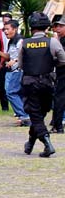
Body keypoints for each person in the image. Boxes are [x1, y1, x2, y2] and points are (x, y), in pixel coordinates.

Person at [19, 12, 65, 158]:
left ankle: (47, 144)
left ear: (31, 27)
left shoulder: (24, 43)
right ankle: (30, 142)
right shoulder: (53, 42)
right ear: (46, 27)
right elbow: (63, 60)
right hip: (47, 83)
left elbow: (20, 64)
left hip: (30, 83)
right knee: (40, 114)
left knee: (35, 115)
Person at [0, 20, 29, 126]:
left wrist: (14, 61)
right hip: (12, 70)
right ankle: (23, 116)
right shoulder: (11, 41)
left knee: (11, 92)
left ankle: (24, 115)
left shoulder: (20, 41)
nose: (5, 32)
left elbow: (24, 55)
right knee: (15, 93)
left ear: (15, 29)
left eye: (7, 29)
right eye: (4, 29)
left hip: (19, 70)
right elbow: (9, 56)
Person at [0, 13, 13, 112]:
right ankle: (4, 107)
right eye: (4, 22)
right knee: (2, 86)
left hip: (13, 62)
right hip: (2, 62)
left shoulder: (16, 34)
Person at [52, 17, 65, 134]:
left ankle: (58, 125)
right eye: (56, 27)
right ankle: (57, 124)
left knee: (59, 99)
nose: (58, 29)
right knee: (58, 99)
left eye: (61, 26)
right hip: (60, 74)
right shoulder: (58, 40)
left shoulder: (59, 41)